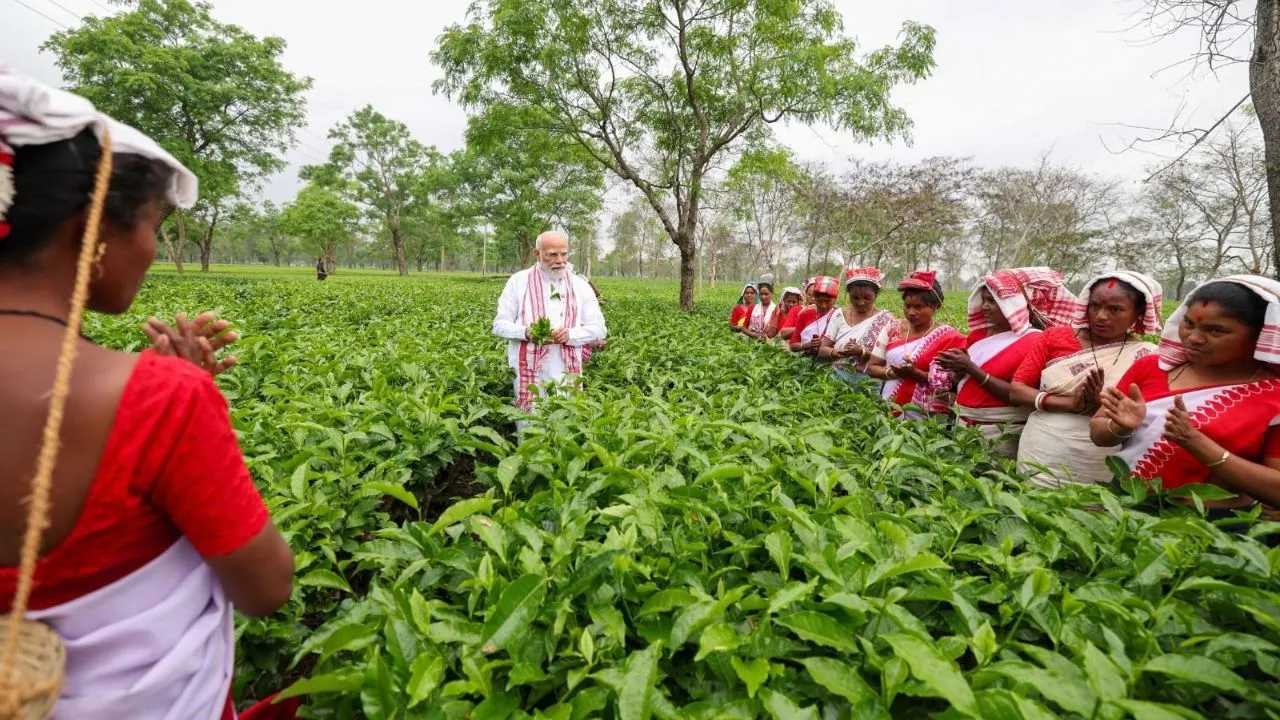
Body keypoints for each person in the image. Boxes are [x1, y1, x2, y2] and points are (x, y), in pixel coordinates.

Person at [0, 66, 294, 718]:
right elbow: (267, 587)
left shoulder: (159, 396)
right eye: (152, 223)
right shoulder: (157, 400)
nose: (153, 248)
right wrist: (182, 395)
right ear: (92, 234)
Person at [1092, 277, 1280, 512]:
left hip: (1211, 527)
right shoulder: (1152, 367)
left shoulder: (1274, 396)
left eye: (1216, 330)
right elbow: (1099, 432)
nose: (1194, 338)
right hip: (1125, 506)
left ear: (1261, 334)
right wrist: (1120, 428)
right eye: (1189, 324)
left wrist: (1196, 443)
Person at [1010, 271, 1163, 486]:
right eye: (1095, 306)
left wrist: (1101, 403)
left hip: (1100, 455)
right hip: (1043, 447)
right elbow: (1017, 389)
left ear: (1138, 313)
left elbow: (1145, 412)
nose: (1101, 315)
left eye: (1115, 309)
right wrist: (1069, 403)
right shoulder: (1055, 338)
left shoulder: (1145, 355)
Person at [937, 268, 1080, 457]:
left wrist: (970, 367)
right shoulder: (978, 335)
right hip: (962, 424)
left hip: (1001, 432)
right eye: (984, 300)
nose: (985, 306)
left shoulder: (1035, 341)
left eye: (993, 301)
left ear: (1014, 305)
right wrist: (955, 368)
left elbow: (1018, 395)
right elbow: (966, 383)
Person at [492, 230, 606, 413]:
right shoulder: (518, 282)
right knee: (530, 421)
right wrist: (527, 333)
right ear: (537, 254)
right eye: (552, 254)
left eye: (564, 254)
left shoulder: (580, 286)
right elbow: (499, 325)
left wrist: (570, 334)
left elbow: (599, 329)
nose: (560, 260)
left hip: (566, 368)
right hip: (528, 367)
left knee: (566, 420)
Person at [866, 271, 966, 418]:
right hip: (890, 404)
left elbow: (955, 382)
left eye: (918, 307)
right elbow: (872, 367)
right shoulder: (893, 328)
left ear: (935, 306)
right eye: (907, 306)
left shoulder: (949, 337)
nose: (911, 312)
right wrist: (893, 373)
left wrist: (918, 375)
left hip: (927, 415)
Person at [817, 267, 896, 383]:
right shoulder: (839, 315)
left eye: (867, 298)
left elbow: (888, 359)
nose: (861, 302)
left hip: (868, 382)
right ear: (849, 295)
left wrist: (861, 352)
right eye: (855, 297)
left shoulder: (886, 320)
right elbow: (823, 349)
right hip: (836, 378)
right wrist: (836, 352)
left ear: (876, 295)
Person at [789, 276, 839, 355]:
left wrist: (825, 344)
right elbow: (793, 345)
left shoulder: (839, 316)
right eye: (819, 301)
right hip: (806, 361)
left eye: (828, 301)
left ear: (835, 299)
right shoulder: (805, 314)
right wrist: (808, 345)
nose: (823, 305)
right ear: (814, 298)